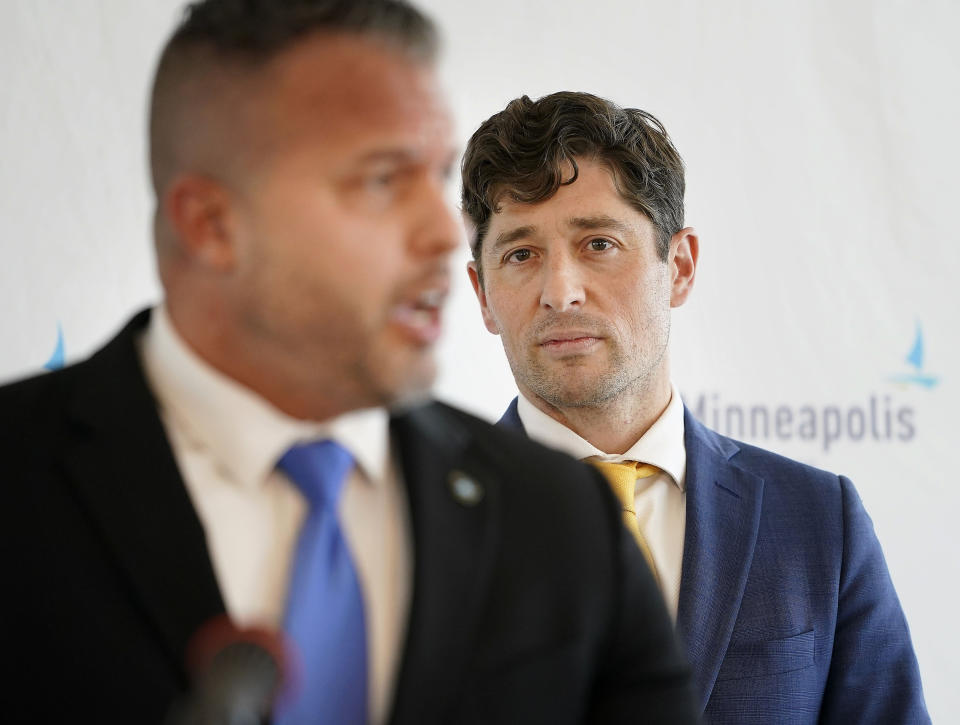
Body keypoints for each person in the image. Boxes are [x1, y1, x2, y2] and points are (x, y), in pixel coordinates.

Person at [0, 5, 699, 724]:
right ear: (210, 225)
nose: (439, 231)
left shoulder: (560, 517)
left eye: (434, 177)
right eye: (381, 181)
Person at [461, 91, 929, 724]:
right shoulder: (410, 525)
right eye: (521, 254)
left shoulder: (820, 525)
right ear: (483, 295)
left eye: (598, 243)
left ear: (678, 267)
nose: (560, 292)